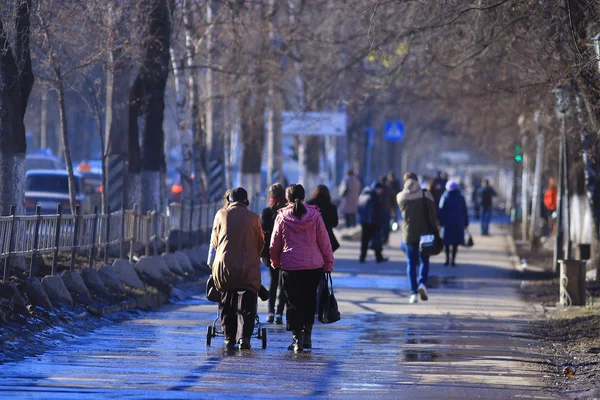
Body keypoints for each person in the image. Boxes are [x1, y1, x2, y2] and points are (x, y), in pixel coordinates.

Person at [270, 184, 334, 352]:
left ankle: (297, 338)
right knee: (309, 301)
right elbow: (324, 242)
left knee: (293, 303)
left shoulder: (282, 217)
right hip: (313, 266)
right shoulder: (315, 216)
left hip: (290, 267)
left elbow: (275, 243)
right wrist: (328, 263)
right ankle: (308, 337)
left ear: (287, 198)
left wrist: (275, 262)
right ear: (303, 197)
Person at [211, 187, 265, 350]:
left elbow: (215, 241)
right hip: (248, 267)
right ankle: (244, 338)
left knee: (227, 300)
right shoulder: (254, 218)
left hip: (224, 266)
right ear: (246, 202)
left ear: (229, 201)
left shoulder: (221, 214)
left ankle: (229, 338)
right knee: (248, 301)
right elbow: (260, 243)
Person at [397, 172, 437, 304]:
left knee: (411, 262)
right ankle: (422, 284)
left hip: (408, 234)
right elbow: (432, 215)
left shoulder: (400, 196)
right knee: (424, 260)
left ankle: (413, 293)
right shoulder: (426, 194)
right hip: (425, 233)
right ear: (417, 180)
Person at [260, 183, 288, 325]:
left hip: (272, 252)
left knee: (273, 281)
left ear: (271, 196)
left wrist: (263, 254)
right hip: (286, 251)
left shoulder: (266, 212)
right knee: (283, 284)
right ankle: (279, 313)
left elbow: (264, 235)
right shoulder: (287, 210)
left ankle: (270, 312)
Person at [438, 181, 469, 267]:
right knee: (455, 242)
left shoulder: (444, 196)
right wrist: (466, 223)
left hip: (447, 223)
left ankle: (447, 259)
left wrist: (440, 223)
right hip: (458, 222)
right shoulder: (461, 197)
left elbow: (441, 211)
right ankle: (453, 261)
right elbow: (464, 211)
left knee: (447, 242)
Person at [357, 182, 387, 263]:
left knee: (365, 240)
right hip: (373, 222)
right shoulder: (374, 195)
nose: (381, 192)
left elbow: (359, 208)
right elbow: (374, 210)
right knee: (377, 240)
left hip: (364, 221)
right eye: (380, 189)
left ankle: (362, 257)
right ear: (378, 188)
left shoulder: (363, 193)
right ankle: (379, 257)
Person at [307, 184, 340, 252]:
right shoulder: (332, 207)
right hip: (327, 237)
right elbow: (335, 223)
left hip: (312, 237)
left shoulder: (309, 205)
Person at [378, 176, 396, 245]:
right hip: (387, 210)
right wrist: (393, 209)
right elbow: (393, 201)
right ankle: (385, 239)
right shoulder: (389, 189)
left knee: (379, 225)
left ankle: (380, 238)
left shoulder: (379, 189)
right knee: (386, 225)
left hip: (379, 210)